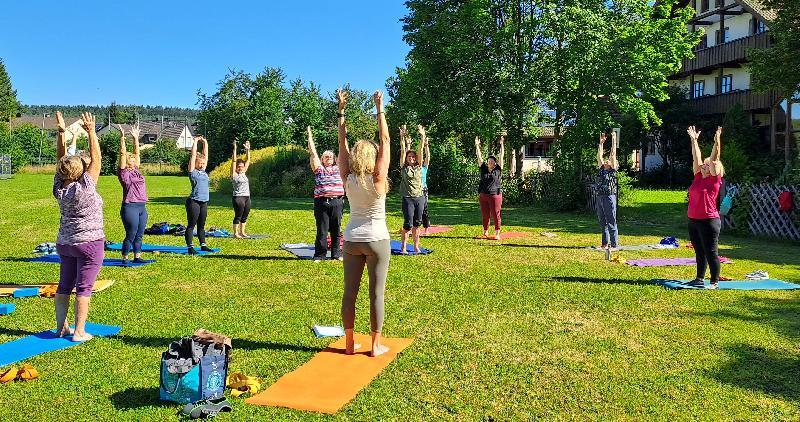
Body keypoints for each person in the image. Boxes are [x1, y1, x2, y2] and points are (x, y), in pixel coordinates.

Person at [338, 88, 391, 357]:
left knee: (350, 293)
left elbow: (341, 144)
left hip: (352, 239)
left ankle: (349, 344)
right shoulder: (379, 178)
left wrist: (342, 111)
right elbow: (385, 139)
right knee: (376, 294)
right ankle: (375, 346)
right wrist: (379, 108)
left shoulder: (347, 177)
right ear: (371, 157)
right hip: (377, 239)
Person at [53, 111, 104, 342]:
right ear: (80, 172)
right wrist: (92, 131)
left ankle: (61, 328)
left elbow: (61, 160)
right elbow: (97, 160)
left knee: (64, 285)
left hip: (65, 243)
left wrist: (62, 133)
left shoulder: (59, 188)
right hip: (89, 243)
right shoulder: (85, 187)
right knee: (84, 287)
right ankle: (79, 332)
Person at [686, 125, 725, 289]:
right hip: (693, 220)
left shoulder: (714, 181)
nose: (704, 165)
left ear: (714, 170)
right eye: (704, 165)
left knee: (711, 252)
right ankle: (699, 278)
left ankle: (714, 282)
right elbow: (696, 157)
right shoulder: (697, 178)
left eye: (707, 165)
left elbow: (714, 158)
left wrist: (717, 142)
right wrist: (694, 140)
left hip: (709, 221)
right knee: (699, 251)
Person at [308, 126, 345, 262]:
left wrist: (343, 133)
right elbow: (313, 153)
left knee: (336, 229)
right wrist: (310, 137)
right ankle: (320, 255)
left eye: (330, 156)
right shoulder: (319, 169)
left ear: (334, 159)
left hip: (337, 201)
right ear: (322, 159)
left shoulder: (339, 168)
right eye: (325, 156)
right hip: (322, 202)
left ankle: (337, 254)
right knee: (322, 230)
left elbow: (342, 149)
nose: (328, 157)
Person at [117, 123, 149, 264]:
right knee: (131, 233)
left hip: (142, 206)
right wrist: (122, 137)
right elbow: (123, 154)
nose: (134, 160)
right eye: (131, 159)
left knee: (140, 234)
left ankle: (137, 256)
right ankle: (125, 257)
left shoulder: (136, 170)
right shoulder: (123, 173)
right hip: (130, 206)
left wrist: (136, 138)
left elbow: (137, 153)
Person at [398, 124, 425, 253]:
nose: (412, 158)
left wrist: (422, 136)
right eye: (410, 157)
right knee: (408, 224)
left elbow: (420, 150)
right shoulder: (404, 167)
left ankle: (416, 246)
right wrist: (402, 137)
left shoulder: (419, 167)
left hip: (419, 198)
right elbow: (403, 150)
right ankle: (403, 246)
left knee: (417, 224)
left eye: (413, 157)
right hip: (408, 199)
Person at [186, 136, 213, 255]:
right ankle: (190, 247)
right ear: (195, 163)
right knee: (192, 225)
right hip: (194, 201)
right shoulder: (193, 172)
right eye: (199, 163)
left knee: (201, 226)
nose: (202, 165)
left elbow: (206, 156)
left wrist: (205, 143)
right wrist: (196, 142)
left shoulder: (204, 171)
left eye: (203, 163)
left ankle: (203, 245)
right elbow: (192, 156)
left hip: (204, 202)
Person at [475, 135, 504, 240]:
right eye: (489, 161)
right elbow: (479, 157)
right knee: (485, 214)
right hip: (483, 195)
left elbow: (501, 156)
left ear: (495, 163)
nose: (490, 162)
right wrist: (477, 145)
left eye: (492, 161)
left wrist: (502, 145)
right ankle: (485, 232)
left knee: (496, 214)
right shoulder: (484, 169)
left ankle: (497, 233)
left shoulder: (498, 169)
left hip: (495, 195)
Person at [595, 131, 619, 250]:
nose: (606, 160)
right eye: (606, 160)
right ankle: (605, 244)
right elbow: (599, 156)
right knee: (602, 222)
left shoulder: (612, 170)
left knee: (611, 221)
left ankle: (614, 244)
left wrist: (614, 140)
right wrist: (601, 143)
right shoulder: (601, 169)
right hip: (600, 196)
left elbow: (613, 154)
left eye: (608, 160)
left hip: (609, 196)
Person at [230, 139, 251, 238]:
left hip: (247, 196)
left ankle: (242, 232)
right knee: (238, 215)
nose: (241, 168)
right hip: (238, 197)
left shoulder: (243, 172)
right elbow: (234, 161)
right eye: (239, 167)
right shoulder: (234, 174)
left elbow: (248, 160)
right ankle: (235, 233)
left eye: (242, 166)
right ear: (236, 167)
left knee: (245, 215)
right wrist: (235, 149)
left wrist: (248, 150)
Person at [418, 125, 432, 235]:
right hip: (415, 190)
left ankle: (426, 228)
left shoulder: (424, 168)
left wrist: (426, 145)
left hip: (423, 190)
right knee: (416, 210)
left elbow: (428, 156)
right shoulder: (416, 168)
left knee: (424, 209)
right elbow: (420, 153)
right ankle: (416, 227)